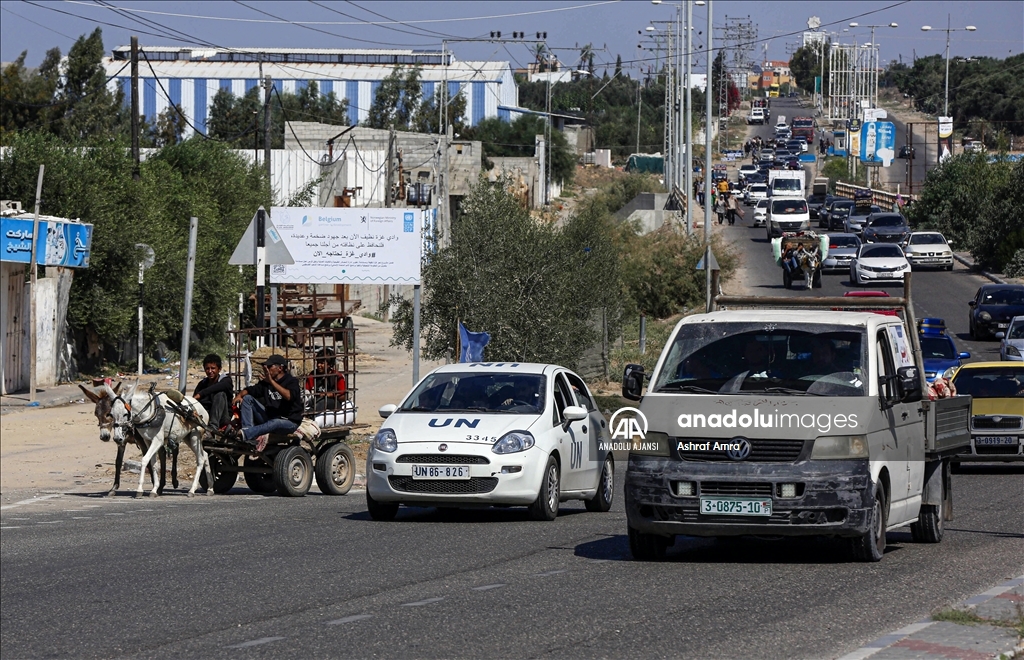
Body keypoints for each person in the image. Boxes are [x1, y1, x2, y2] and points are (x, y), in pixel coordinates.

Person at [231, 354, 303, 452]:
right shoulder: (266, 383)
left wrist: (271, 382)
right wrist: (239, 395)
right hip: (270, 418)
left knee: (275, 422)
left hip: (289, 422)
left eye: (269, 367)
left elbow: (289, 396)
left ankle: (244, 434)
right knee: (247, 398)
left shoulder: (291, 381)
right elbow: (251, 390)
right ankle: (248, 433)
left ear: (280, 368)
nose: (267, 370)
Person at [193, 353, 233, 429]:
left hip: (222, 417)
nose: (210, 371)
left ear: (219, 369)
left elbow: (219, 387)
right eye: (207, 369)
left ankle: (213, 427)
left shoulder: (226, 381)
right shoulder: (202, 384)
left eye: (213, 368)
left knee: (220, 394)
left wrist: (201, 394)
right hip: (205, 415)